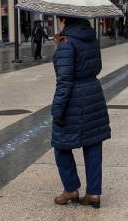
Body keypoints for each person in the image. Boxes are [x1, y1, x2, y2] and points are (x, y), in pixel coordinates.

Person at [52, 16, 110, 209]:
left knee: (60, 144)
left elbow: (65, 80)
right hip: (93, 93)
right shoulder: (91, 38)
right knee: (93, 144)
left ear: (64, 20)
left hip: (74, 99)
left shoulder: (66, 42)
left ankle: (71, 188)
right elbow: (98, 67)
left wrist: (57, 109)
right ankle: (93, 193)